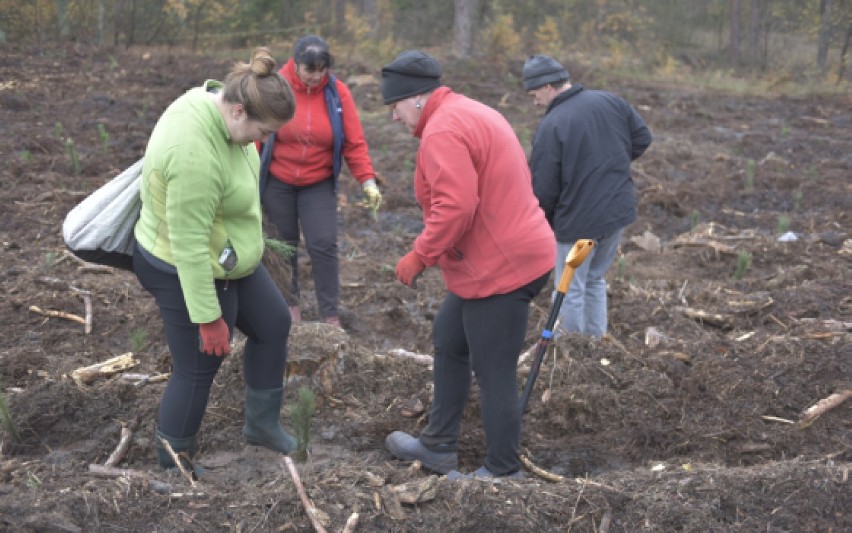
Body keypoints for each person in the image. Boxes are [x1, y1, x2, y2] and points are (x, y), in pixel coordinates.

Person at [379, 51, 556, 480]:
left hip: (502, 265)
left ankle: (502, 469)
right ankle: (438, 446)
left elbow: (456, 206)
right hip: (503, 254)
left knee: (493, 368)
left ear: (417, 98)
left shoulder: (443, 131)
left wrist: (421, 254)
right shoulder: (469, 111)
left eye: (395, 107)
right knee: (449, 338)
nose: (394, 118)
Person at [133, 47, 299, 472]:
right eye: (262, 130)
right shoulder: (195, 154)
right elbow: (188, 244)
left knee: (273, 324)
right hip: (181, 264)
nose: (262, 141)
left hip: (226, 258)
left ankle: (262, 427)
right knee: (200, 362)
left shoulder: (222, 108)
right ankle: (174, 461)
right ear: (239, 111)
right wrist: (207, 317)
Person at [523, 55, 652, 338]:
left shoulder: (552, 125)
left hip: (578, 225)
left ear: (546, 87)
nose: (535, 103)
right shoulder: (610, 101)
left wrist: (540, 222)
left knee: (569, 287)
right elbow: (642, 137)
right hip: (615, 214)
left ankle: (571, 352)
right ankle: (595, 344)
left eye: (534, 95)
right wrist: (611, 166)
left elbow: (543, 188)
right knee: (594, 279)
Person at [259, 35, 382, 328]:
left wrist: (367, 181)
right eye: (309, 70)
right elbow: (256, 134)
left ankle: (330, 315)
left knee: (324, 243)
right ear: (295, 64)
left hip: (318, 182)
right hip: (278, 179)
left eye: (321, 70)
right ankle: (288, 308)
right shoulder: (277, 87)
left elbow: (354, 143)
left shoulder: (337, 93)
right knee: (282, 245)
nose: (315, 77)